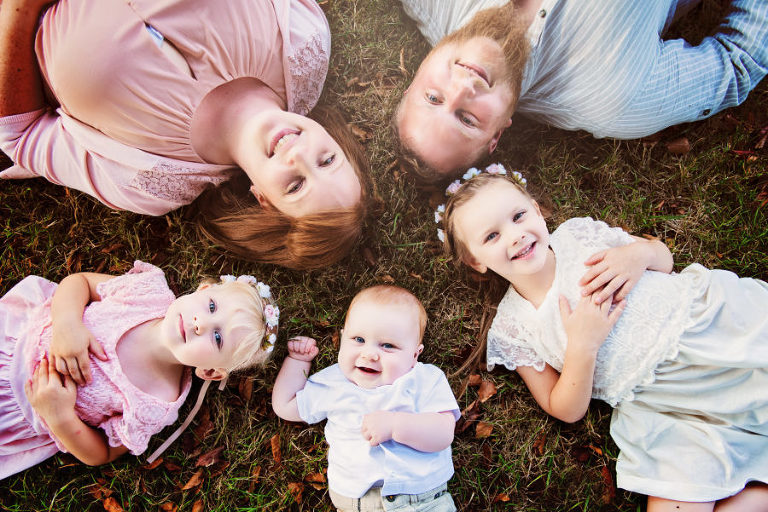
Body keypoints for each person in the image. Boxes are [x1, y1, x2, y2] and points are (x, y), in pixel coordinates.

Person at [437, 164, 768, 510]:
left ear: (536, 209)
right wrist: (583, 345)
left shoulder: (577, 236)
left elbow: (664, 259)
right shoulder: (512, 327)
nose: (515, 235)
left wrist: (638, 255)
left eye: (518, 216)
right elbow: (562, 407)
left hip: (703, 329)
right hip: (664, 405)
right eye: (492, 236)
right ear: (475, 260)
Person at [0, 0, 373, 269]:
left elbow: (21, 135)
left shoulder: (146, 182)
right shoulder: (303, 41)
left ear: (263, 201)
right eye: (328, 159)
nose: (299, 155)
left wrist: (18, 13)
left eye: (295, 186)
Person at [394, 0, 768, 180]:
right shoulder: (611, 96)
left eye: (433, 97)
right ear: (497, 135)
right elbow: (737, 63)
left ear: (414, 77)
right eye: (467, 119)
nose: (462, 89)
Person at [0, 261, 279, 480]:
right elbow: (79, 282)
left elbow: (103, 453)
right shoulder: (147, 293)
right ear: (203, 290)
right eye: (211, 307)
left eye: (217, 338)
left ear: (210, 372)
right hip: (12, 340)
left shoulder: (155, 403)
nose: (200, 323)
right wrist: (67, 324)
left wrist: (59, 416)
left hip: (15, 412)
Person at [272, 285, 460, 512]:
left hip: (422, 499)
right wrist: (298, 362)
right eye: (358, 339)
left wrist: (395, 426)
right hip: (356, 503)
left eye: (388, 346)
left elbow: (443, 432)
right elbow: (285, 405)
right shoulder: (333, 382)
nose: (369, 354)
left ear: (414, 355)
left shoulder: (424, 378)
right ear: (342, 338)